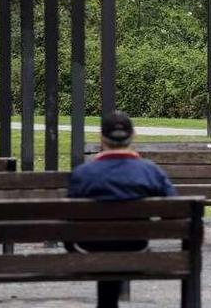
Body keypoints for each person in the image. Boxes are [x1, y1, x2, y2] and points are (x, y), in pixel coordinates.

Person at [67, 110, 177, 308]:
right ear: (133, 135)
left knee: (106, 243)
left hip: (90, 248)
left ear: (101, 137)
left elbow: (68, 221)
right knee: (119, 243)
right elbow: (175, 213)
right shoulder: (150, 171)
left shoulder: (82, 174)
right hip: (135, 246)